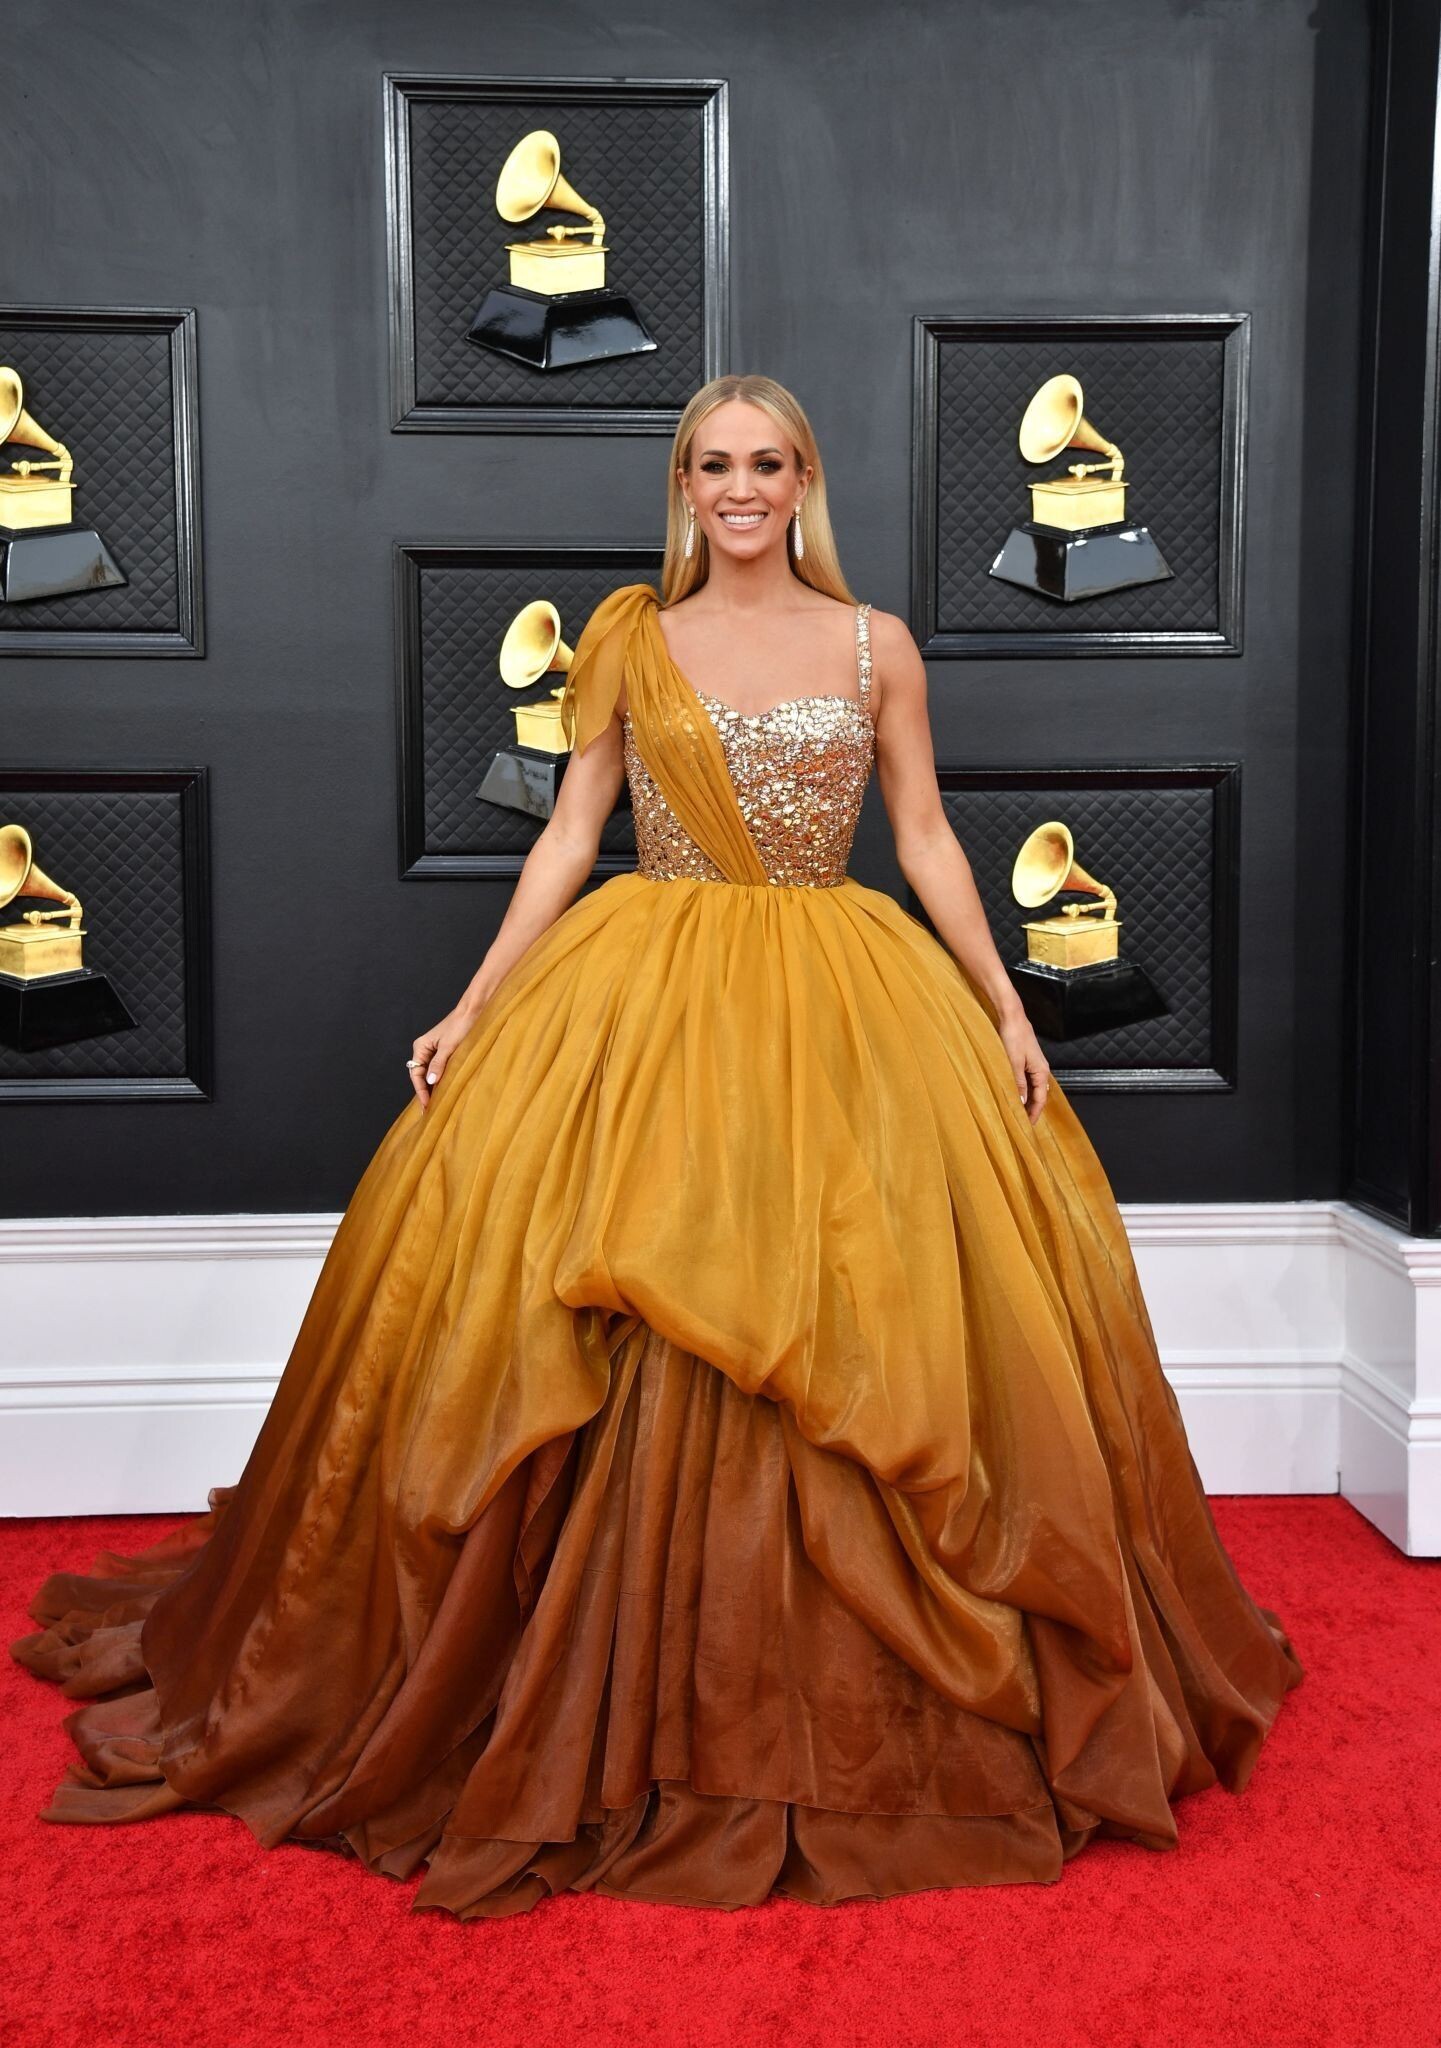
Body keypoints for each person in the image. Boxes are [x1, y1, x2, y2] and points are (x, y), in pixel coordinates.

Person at [11, 373, 1302, 1920]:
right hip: (646, 988)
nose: (739, 488)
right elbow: (571, 831)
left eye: (766, 463)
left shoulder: (876, 645)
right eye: (712, 465)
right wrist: (477, 1002)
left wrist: (1005, 1006)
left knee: (858, 1298)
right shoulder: (628, 641)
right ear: (684, 486)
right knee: (601, 1279)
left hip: (840, 986)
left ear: (803, 481)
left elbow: (924, 835)